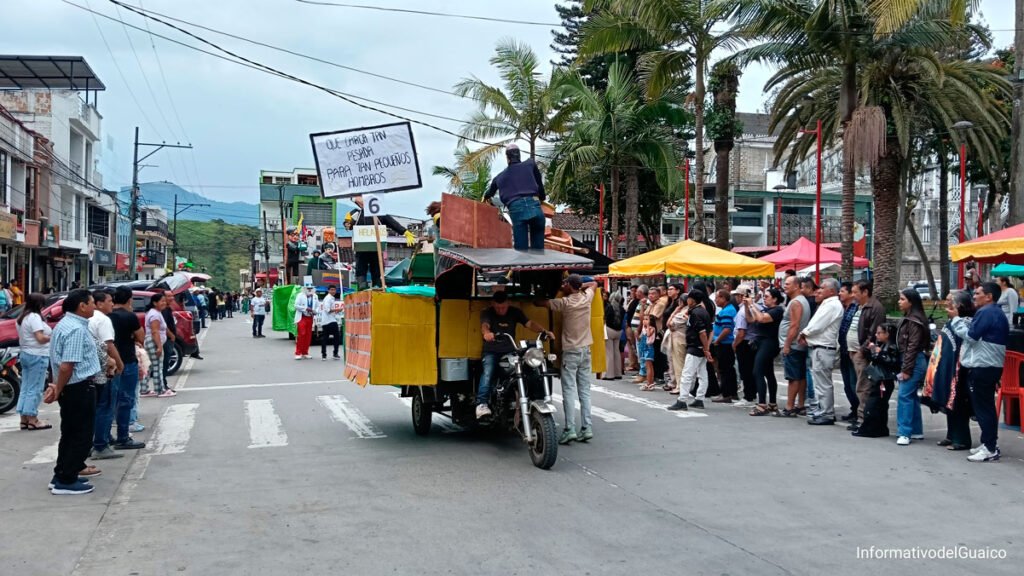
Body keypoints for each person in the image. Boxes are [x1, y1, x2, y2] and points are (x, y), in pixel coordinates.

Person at [44, 289, 101, 495]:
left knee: (69, 432)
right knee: (81, 434)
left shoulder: (65, 324)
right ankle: (66, 480)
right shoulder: (75, 329)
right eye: (92, 302)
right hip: (78, 387)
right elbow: (67, 365)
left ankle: (62, 473)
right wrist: (58, 389)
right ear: (82, 306)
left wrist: (56, 386)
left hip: (72, 387)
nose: (95, 306)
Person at [948, 281, 1010, 462]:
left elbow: (971, 336)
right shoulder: (993, 312)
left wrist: (956, 319)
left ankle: (990, 447)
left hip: (983, 366)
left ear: (989, 296)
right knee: (985, 406)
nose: (973, 296)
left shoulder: (986, 312)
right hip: (988, 365)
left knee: (984, 408)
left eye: (977, 293)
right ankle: (988, 443)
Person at [477, 291, 553, 419]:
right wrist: (487, 333)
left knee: (530, 370)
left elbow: (529, 324)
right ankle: (481, 404)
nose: (501, 310)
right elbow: (485, 325)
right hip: (491, 351)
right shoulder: (487, 312)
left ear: (508, 303)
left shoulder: (515, 312)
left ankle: (532, 398)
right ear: (493, 304)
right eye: (497, 307)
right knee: (488, 372)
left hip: (510, 351)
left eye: (503, 307)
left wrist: (544, 331)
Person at [541, 275, 598, 444]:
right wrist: (579, 286)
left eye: (565, 283)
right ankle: (587, 428)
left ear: (568, 286)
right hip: (586, 350)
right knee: (585, 391)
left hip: (571, 352)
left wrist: (560, 290)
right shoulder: (587, 298)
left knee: (568, 391)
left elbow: (540, 303)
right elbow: (594, 283)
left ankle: (570, 429)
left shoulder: (564, 303)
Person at [923, 291, 974, 450]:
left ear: (959, 305)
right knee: (948, 402)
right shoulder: (951, 321)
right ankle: (951, 435)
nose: (947, 305)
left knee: (958, 403)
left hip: (959, 369)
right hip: (945, 366)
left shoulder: (965, 322)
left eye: (950, 301)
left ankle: (961, 440)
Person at [483, 143, 547, 251]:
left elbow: (489, 193)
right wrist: (542, 198)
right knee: (538, 250)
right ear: (519, 155)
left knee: (521, 252)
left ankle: (522, 266)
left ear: (507, 158)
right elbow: (539, 185)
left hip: (517, 210)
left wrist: (485, 197)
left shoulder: (499, 178)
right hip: (535, 207)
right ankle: (538, 265)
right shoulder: (530, 164)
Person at [343, 197, 417, 289]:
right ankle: (362, 285)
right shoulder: (355, 213)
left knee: (377, 268)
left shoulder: (379, 214)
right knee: (361, 268)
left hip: (376, 248)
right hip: (361, 247)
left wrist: (405, 232)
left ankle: (377, 285)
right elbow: (348, 225)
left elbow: (393, 223)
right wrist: (347, 223)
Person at [798, 278, 844, 425]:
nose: (819, 290)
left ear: (831, 291)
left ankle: (827, 412)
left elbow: (817, 325)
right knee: (820, 382)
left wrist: (804, 333)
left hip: (823, 347)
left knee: (823, 383)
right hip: (819, 346)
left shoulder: (832, 305)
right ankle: (823, 409)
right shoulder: (828, 304)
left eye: (823, 288)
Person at [88, 290, 124, 460]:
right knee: (106, 405)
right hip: (103, 369)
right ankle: (101, 445)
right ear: (99, 303)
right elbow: (108, 345)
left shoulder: (89, 318)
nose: (112, 303)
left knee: (96, 407)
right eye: (109, 301)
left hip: (90, 370)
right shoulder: (102, 319)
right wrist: (119, 362)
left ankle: (98, 440)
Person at [108, 287, 145, 451]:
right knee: (126, 400)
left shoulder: (106, 317)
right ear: (129, 299)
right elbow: (141, 336)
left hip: (108, 363)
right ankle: (123, 436)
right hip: (127, 361)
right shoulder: (130, 316)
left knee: (108, 401)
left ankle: (105, 436)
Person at [894, 288, 930, 446]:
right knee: (911, 396)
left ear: (911, 302)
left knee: (904, 396)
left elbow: (912, 347)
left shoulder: (914, 321)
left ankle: (905, 432)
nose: (899, 302)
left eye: (902, 299)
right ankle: (915, 430)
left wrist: (906, 369)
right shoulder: (912, 318)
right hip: (913, 359)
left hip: (913, 360)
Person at [667, 290, 713, 411]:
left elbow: (702, 332)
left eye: (689, 298)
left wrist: (706, 348)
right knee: (702, 374)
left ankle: (682, 400)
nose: (687, 301)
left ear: (692, 300)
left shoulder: (695, 313)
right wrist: (707, 347)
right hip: (701, 347)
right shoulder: (704, 312)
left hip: (695, 346)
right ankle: (699, 398)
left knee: (687, 374)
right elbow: (710, 330)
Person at [849, 280, 886, 432]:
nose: (853, 295)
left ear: (865, 292)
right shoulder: (861, 306)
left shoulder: (875, 308)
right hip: (855, 351)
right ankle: (861, 416)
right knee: (859, 385)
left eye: (856, 292)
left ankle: (863, 418)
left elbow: (873, 333)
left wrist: (862, 350)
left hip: (863, 353)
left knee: (864, 387)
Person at [853, 323, 900, 438]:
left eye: (879, 333)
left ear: (887, 334)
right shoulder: (883, 344)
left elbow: (892, 361)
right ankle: (879, 428)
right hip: (879, 378)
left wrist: (880, 353)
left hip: (885, 379)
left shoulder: (891, 346)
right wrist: (873, 350)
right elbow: (875, 358)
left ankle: (872, 429)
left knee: (874, 404)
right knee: (878, 404)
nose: (876, 335)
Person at [745, 288, 784, 416]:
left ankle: (762, 404)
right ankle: (772, 403)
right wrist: (747, 306)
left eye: (767, 296)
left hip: (769, 343)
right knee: (768, 372)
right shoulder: (765, 309)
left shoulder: (777, 310)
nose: (764, 298)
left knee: (757, 371)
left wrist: (752, 304)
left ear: (775, 299)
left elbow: (761, 319)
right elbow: (751, 319)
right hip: (762, 342)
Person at [16, 293, 53, 430]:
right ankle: (33, 419)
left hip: (25, 353)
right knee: (35, 388)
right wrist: (53, 336)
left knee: (25, 387)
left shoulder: (22, 318)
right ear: (39, 305)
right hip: (37, 354)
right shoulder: (35, 318)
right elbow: (40, 338)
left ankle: (24, 418)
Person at [778, 275, 809, 417]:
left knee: (793, 377)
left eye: (788, 283)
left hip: (794, 345)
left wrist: (787, 344)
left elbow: (794, 325)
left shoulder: (796, 302)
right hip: (798, 345)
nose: (785, 285)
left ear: (797, 286)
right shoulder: (799, 301)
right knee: (800, 376)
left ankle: (790, 407)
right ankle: (800, 404)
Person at [140, 293, 173, 398]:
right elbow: (155, 332)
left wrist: (171, 335)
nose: (164, 303)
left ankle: (144, 390)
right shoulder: (155, 314)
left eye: (164, 301)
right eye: (162, 301)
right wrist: (159, 346)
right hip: (154, 342)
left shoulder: (155, 313)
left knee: (148, 367)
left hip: (151, 341)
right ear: (155, 303)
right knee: (158, 366)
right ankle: (160, 390)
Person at [837, 282, 860, 422]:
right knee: (847, 383)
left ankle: (859, 411)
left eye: (842, 291)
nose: (840, 294)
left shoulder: (856, 308)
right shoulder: (842, 308)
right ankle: (854, 409)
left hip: (853, 351)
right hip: (844, 351)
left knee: (853, 382)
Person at [710, 289, 738, 404]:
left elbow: (727, 329)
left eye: (717, 297)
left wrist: (717, 340)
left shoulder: (727, 311)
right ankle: (732, 392)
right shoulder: (728, 309)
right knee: (728, 369)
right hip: (725, 342)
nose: (716, 300)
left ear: (723, 298)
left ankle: (726, 394)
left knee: (724, 369)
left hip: (725, 343)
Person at [731, 286, 757, 407]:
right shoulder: (754, 307)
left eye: (737, 295)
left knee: (745, 370)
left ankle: (749, 396)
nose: (735, 298)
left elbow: (741, 333)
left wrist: (735, 344)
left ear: (741, 296)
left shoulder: (742, 311)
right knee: (750, 370)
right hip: (751, 342)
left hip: (745, 343)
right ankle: (752, 393)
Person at [602, 292, 624, 380]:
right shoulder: (622, 308)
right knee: (616, 351)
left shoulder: (609, 307)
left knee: (609, 353)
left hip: (609, 330)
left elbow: (605, 318)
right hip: (619, 331)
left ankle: (609, 374)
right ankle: (618, 373)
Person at [293, 283, 317, 359]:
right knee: (301, 334)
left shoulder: (315, 296)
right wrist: (305, 308)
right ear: (305, 289)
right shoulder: (300, 295)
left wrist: (315, 311)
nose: (309, 290)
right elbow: (296, 306)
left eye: (311, 288)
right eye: (308, 288)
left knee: (308, 335)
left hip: (310, 317)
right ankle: (298, 352)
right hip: (302, 317)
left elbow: (318, 306)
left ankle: (305, 352)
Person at [320, 284, 342, 360]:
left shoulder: (331, 298)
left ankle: (324, 355)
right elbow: (327, 310)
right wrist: (337, 310)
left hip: (328, 320)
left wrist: (336, 311)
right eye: (331, 290)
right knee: (336, 337)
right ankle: (334, 354)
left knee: (325, 338)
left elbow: (329, 310)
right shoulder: (328, 298)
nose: (333, 291)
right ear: (328, 290)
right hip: (329, 321)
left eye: (334, 290)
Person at [161, 291, 177, 379]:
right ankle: (163, 384)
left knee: (166, 362)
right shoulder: (163, 310)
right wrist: (171, 335)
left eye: (172, 296)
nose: (172, 298)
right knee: (164, 363)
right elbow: (163, 325)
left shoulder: (168, 309)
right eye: (168, 296)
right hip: (166, 340)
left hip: (168, 339)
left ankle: (164, 383)